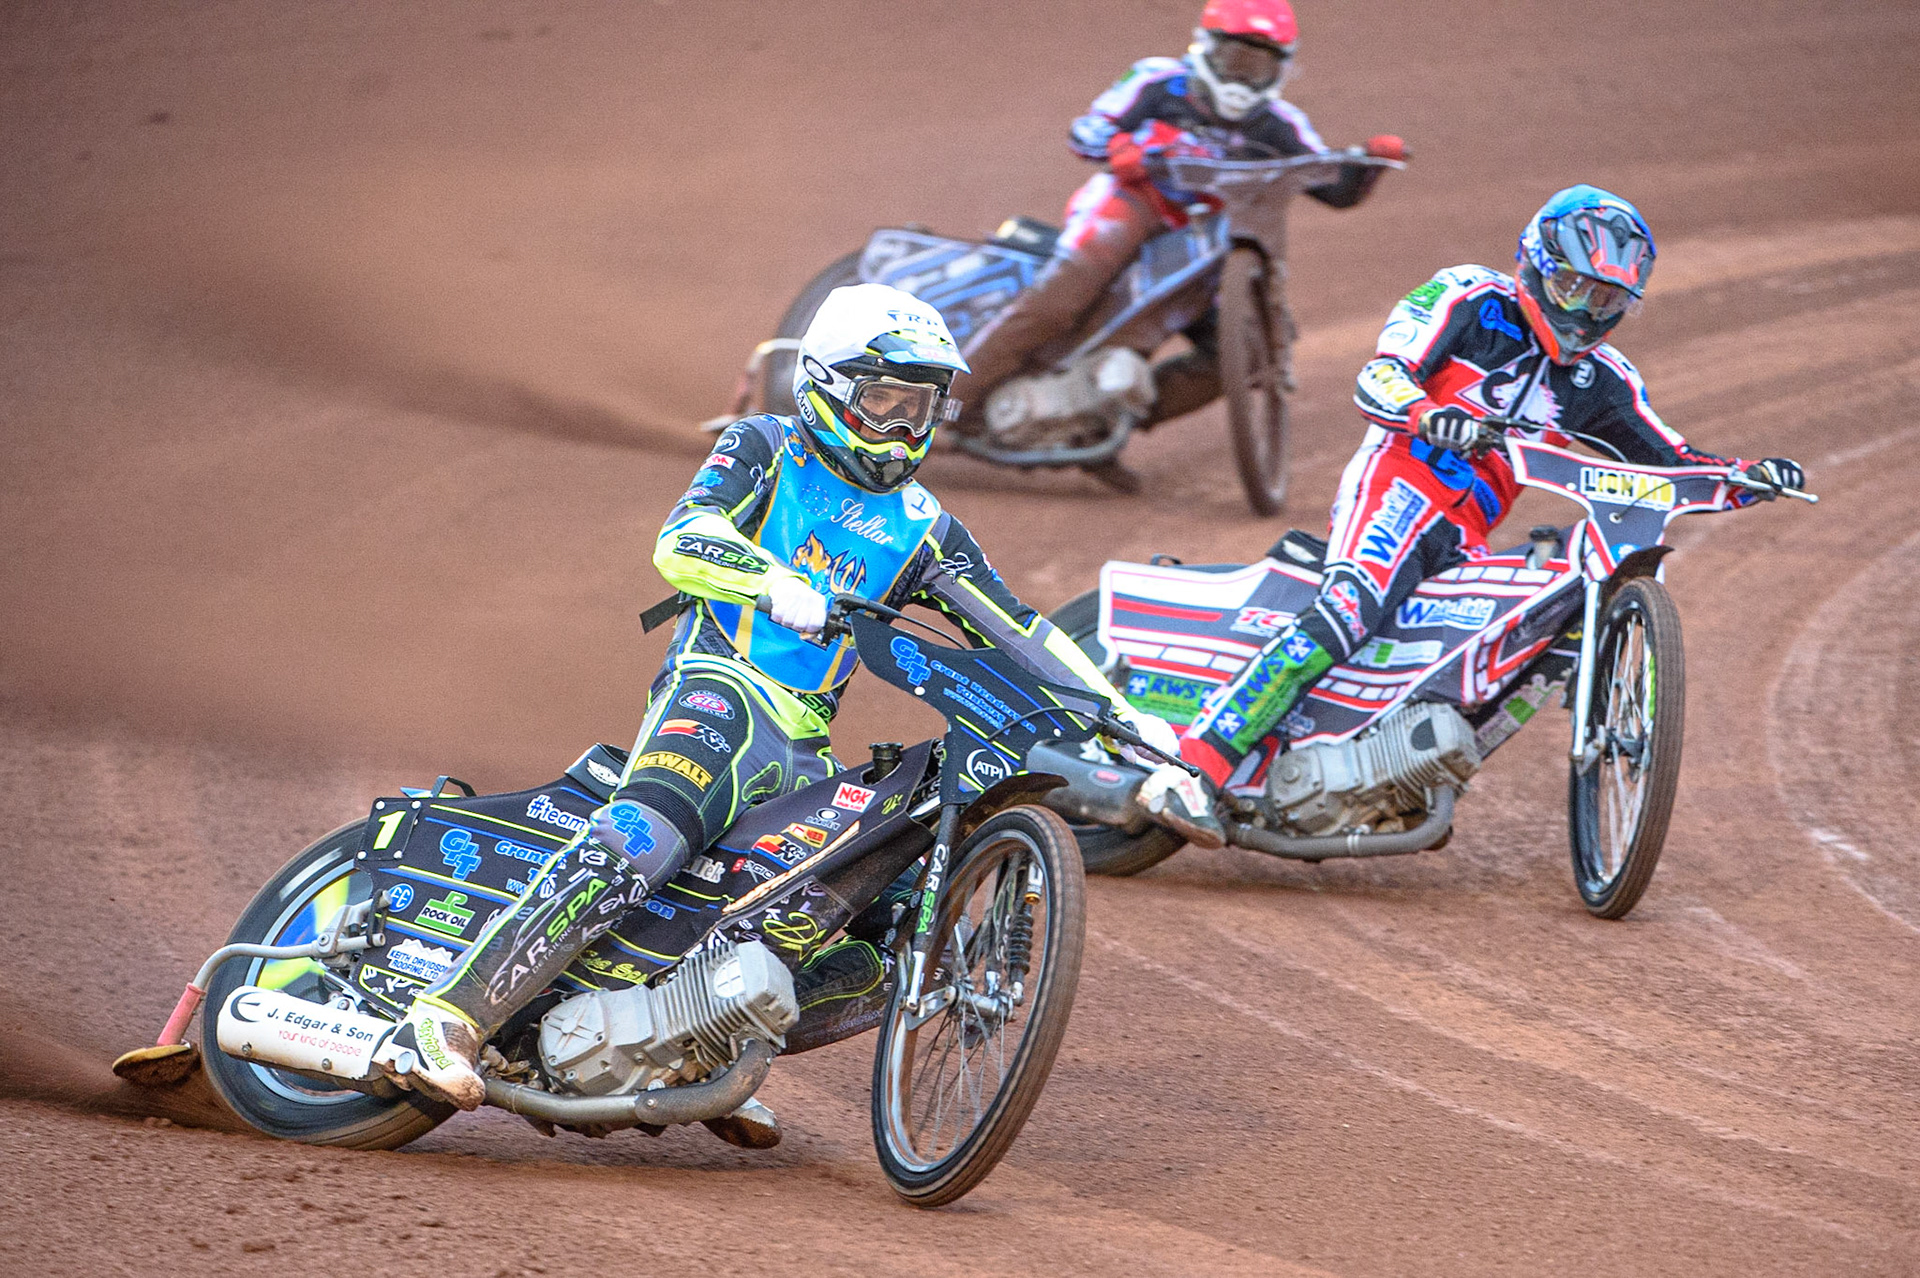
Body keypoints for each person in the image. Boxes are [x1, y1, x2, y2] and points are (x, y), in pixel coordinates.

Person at [375, 284, 1179, 1133]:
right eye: (884, 402)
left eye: (922, 408)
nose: (905, 429)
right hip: (717, 693)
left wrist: (1121, 716)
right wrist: (774, 582)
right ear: (825, 386)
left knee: (873, 922)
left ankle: (694, 1045)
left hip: (802, 745)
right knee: (640, 839)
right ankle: (448, 1015)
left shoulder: (925, 527)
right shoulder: (765, 446)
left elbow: (1016, 627)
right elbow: (681, 538)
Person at [1136, 184, 1808, 847]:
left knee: (1494, 644)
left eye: (1607, 299)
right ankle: (1194, 768)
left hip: (1466, 533)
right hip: (1399, 483)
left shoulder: (1601, 380)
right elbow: (1380, 375)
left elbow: (1672, 459)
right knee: (1349, 612)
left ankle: (1392, 778)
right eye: (1575, 288)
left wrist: (1745, 478)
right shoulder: (1467, 298)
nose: (1586, 314)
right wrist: (1431, 415)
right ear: (1536, 267)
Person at [950, 0, 1403, 431]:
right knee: (1060, 298)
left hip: (1209, 240)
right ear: (1206, 47)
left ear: (1280, 68)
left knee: (1246, 350)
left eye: (1258, 64)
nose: (1242, 77)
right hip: (1134, 202)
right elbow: (1086, 130)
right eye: (1234, 58)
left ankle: (1097, 429)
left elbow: (1332, 188)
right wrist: (1119, 148)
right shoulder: (1158, 80)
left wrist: (1370, 166)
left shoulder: (1283, 124)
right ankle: (947, 411)